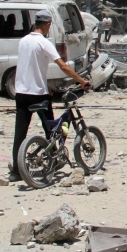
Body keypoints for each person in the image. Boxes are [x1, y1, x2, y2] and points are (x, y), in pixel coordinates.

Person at [10, 10, 92, 182]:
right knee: (52, 130)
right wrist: (82, 81)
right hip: (38, 94)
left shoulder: (23, 41)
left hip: (21, 93)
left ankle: (17, 171)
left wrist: (46, 84)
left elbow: (30, 66)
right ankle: (55, 160)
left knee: (20, 132)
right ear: (47, 25)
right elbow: (63, 66)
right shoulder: (44, 42)